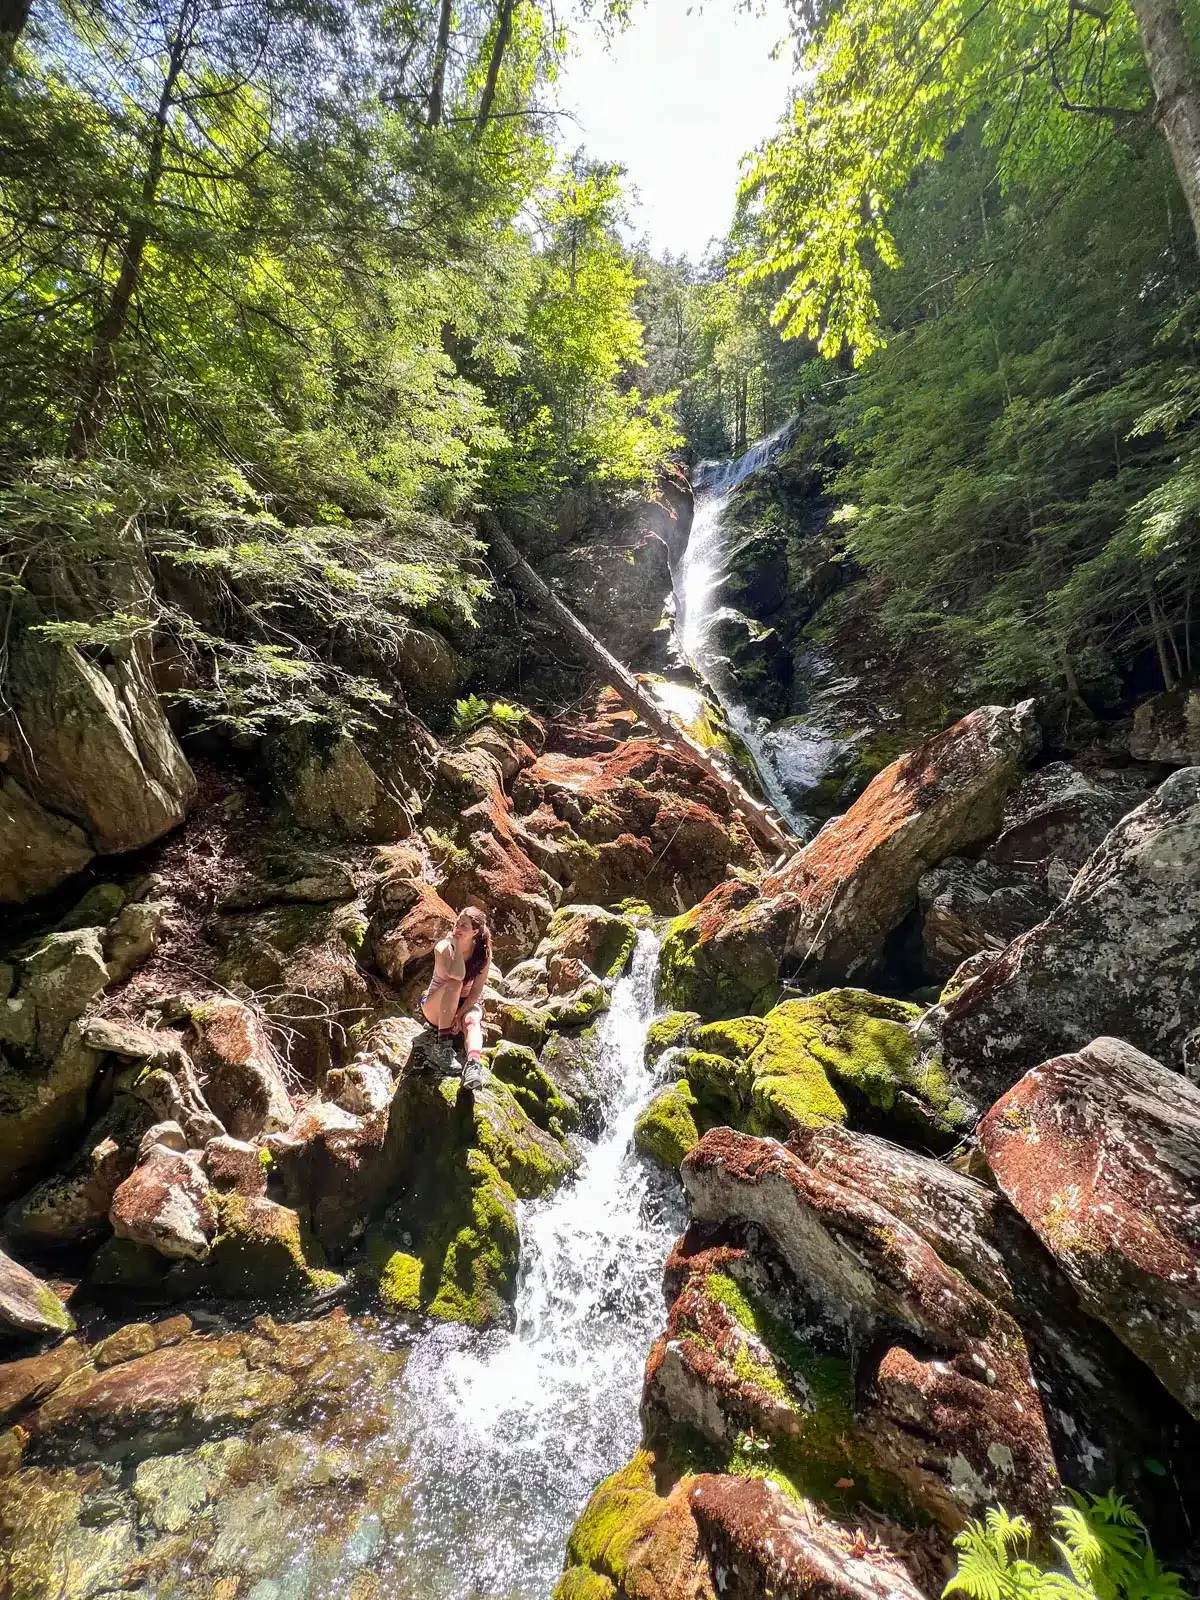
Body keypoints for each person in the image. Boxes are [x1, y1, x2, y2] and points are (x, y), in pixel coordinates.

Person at [419, 905, 492, 1092]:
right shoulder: (443, 948)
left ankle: (474, 1065)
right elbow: (457, 976)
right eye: (457, 923)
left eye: (464, 926)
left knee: (473, 1020)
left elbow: (476, 990)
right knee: (455, 983)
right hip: (436, 1006)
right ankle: (442, 1047)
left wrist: (460, 1014)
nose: (457, 928)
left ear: (475, 932)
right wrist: (457, 948)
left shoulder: (483, 953)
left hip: (462, 1004)